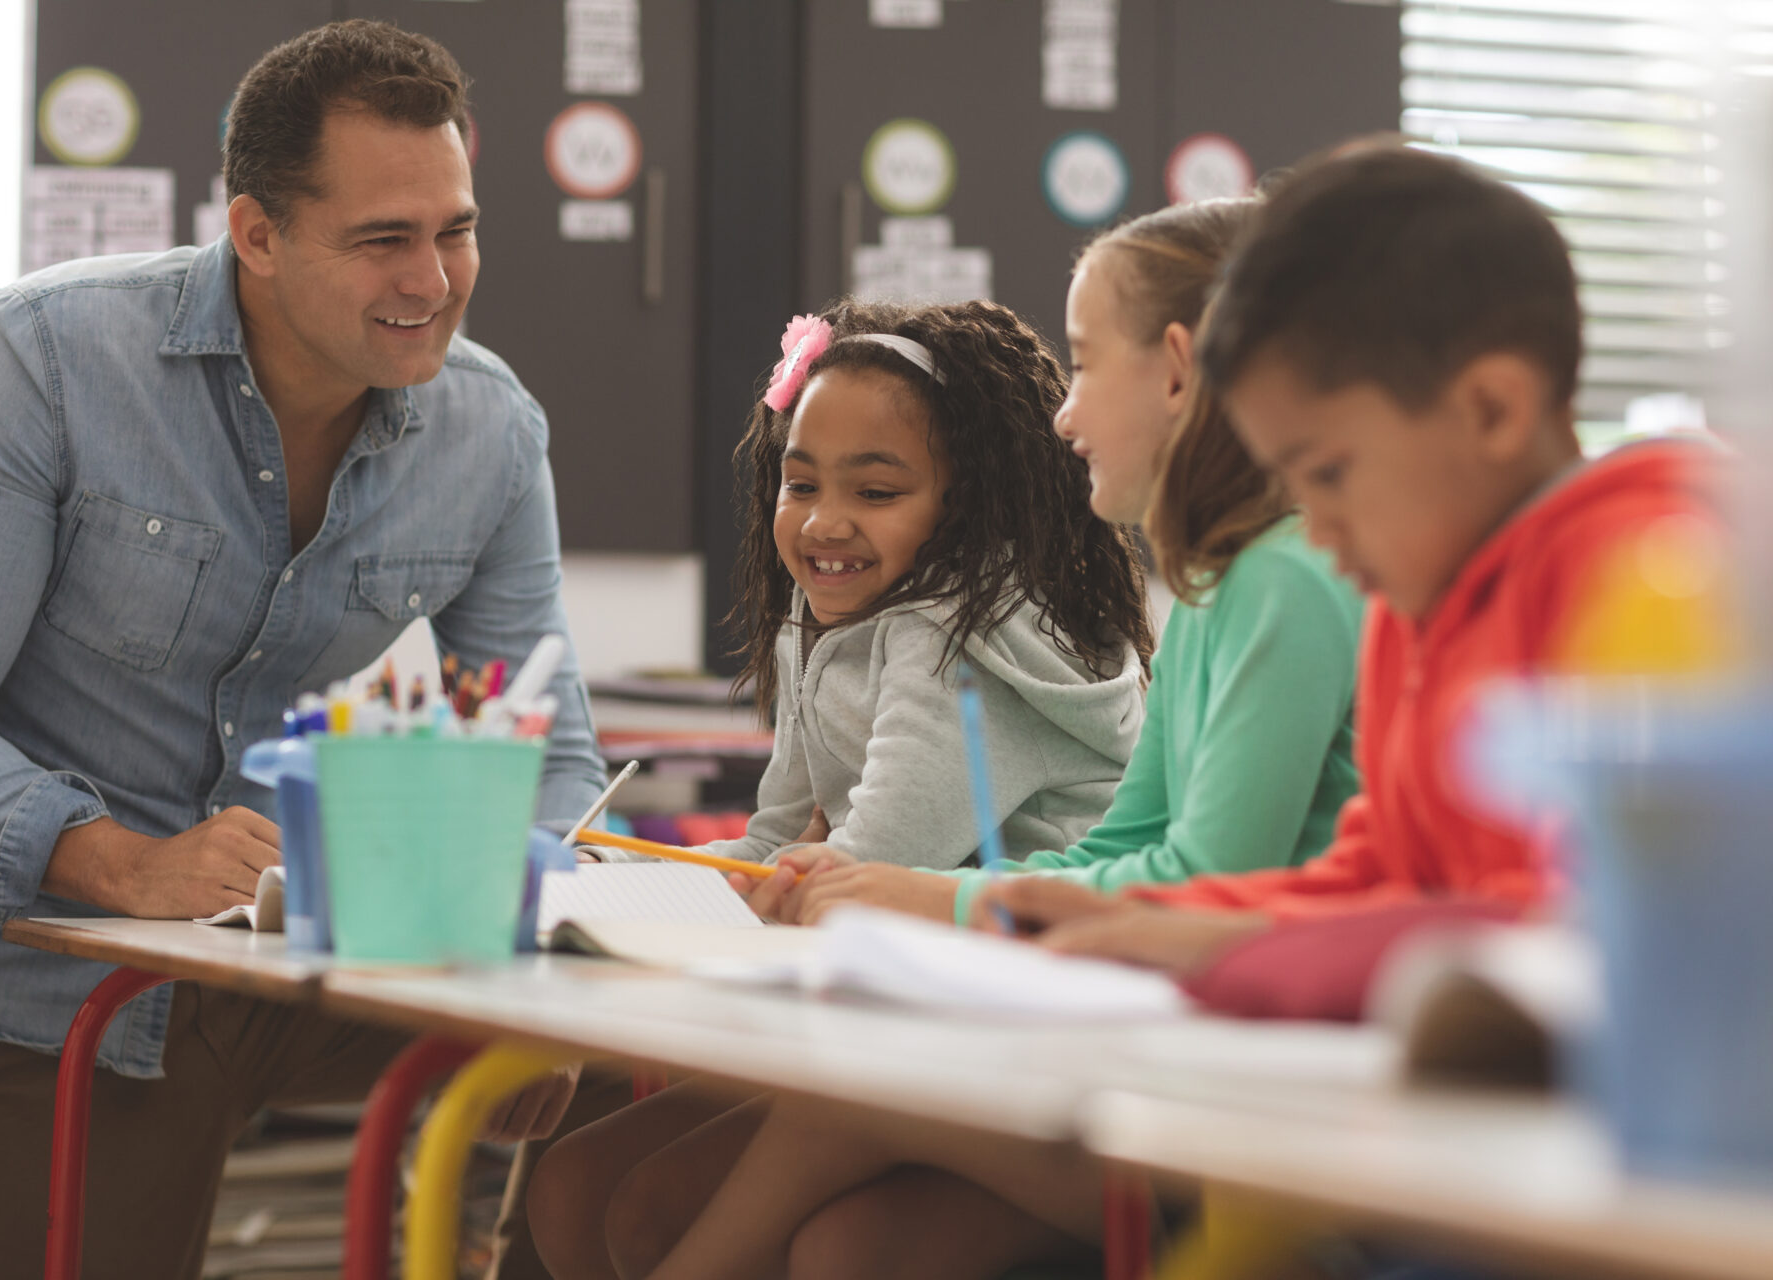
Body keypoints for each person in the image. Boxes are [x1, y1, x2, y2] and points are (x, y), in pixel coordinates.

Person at [614, 145, 1723, 1280]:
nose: (1322, 526)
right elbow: (1373, 865)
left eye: (1329, 472)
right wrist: (1089, 916)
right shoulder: (1401, 593)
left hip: (1545, 1155)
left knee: (857, 1129)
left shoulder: (1651, 578)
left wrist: (1193, 936)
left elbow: (1564, 937)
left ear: (1490, 407)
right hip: (1393, 1117)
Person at [0, 21, 602, 1278]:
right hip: (16, 976)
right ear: (256, 233)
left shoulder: (490, 429)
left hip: (268, 954)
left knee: (650, 1070)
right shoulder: (46, 359)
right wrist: (120, 861)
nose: (434, 279)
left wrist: (557, 952)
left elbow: (554, 743)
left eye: (455, 229)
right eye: (384, 240)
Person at [525, 296, 1153, 1280]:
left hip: (1046, 1042)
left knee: (686, 1213)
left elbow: (859, 870)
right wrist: (609, 875)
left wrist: (781, 874)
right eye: (800, 480)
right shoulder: (827, 628)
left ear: (967, 503)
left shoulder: (956, 641)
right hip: (907, 1021)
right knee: (575, 1184)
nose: (824, 521)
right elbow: (773, 845)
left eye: (877, 490)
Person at [748, 198, 1362, 931]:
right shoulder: (1213, 587)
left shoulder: (1285, 580)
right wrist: (919, 891)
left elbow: (1211, 881)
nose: (1064, 417)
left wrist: (926, 896)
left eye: (1086, 365)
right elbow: (1124, 846)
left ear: (1174, 373)